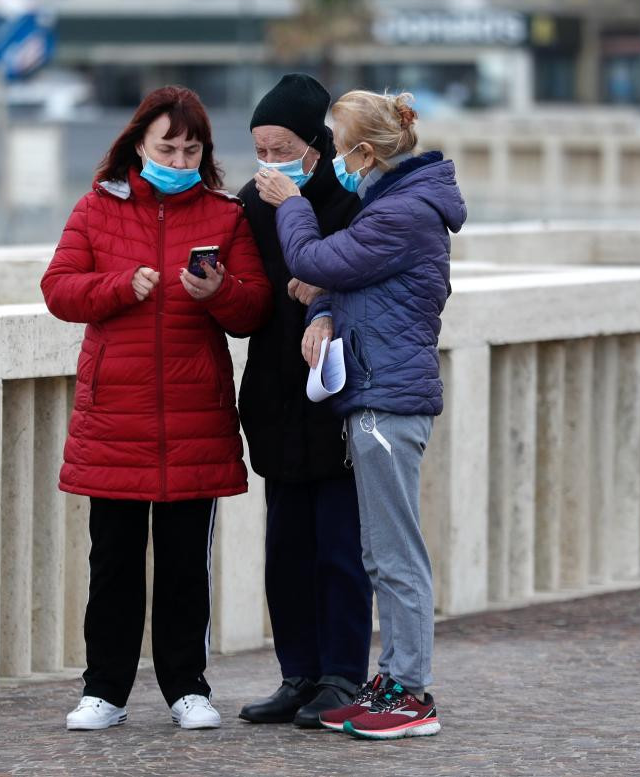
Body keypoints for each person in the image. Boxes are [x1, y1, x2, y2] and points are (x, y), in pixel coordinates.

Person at [41, 85, 272, 732]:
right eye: (166, 145)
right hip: (115, 416)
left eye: (191, 147)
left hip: (193, 414)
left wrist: (219, 289)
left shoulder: (225, 216)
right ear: (138, 144)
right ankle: (104, 689)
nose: (178, 155)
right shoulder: (96, 209)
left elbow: (254, 308)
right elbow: (59, 289)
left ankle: (187, 686)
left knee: (182, 563)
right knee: (111, 559)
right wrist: (120, 284)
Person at [254, 89, 466, 740]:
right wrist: (322, 308)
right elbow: (345, 283)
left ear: (366, 152)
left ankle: (410, 694)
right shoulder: (394, 203)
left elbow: (317, 261)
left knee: (395, 554)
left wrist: (292, 208)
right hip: (377, 396)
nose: (333, 161)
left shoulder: (402, 213)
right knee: (379, 552)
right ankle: (394, 679)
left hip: (387, 401)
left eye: (339, 148)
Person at [234, 74, 378, 729]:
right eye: (261, 149)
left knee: (339, 550)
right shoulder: (249, 205)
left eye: (282, 147)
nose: (269, 162)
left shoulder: (351, 201)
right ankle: (297, 673)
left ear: (315, 145)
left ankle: (342, 673)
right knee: (286, 548)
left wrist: (322, 297)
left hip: (338, 399)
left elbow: (371, 283)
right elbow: (246, 303)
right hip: (274, 395)